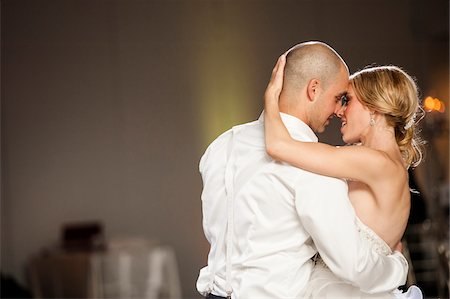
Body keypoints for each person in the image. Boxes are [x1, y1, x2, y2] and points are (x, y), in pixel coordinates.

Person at [196, 41, 409, 299]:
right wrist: (398, 267)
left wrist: (270, 102)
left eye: (346, 101)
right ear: (313, 89)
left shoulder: (220, 147)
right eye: (339, 98)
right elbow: (352, 263)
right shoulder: (315, 169)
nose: (339, 110)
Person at [264, 53, 425, 298]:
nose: (339, 111)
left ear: (373, 108)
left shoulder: (378, 163)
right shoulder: (381, 163)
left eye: (347, 100)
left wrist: (271, 97)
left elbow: (278, 146)